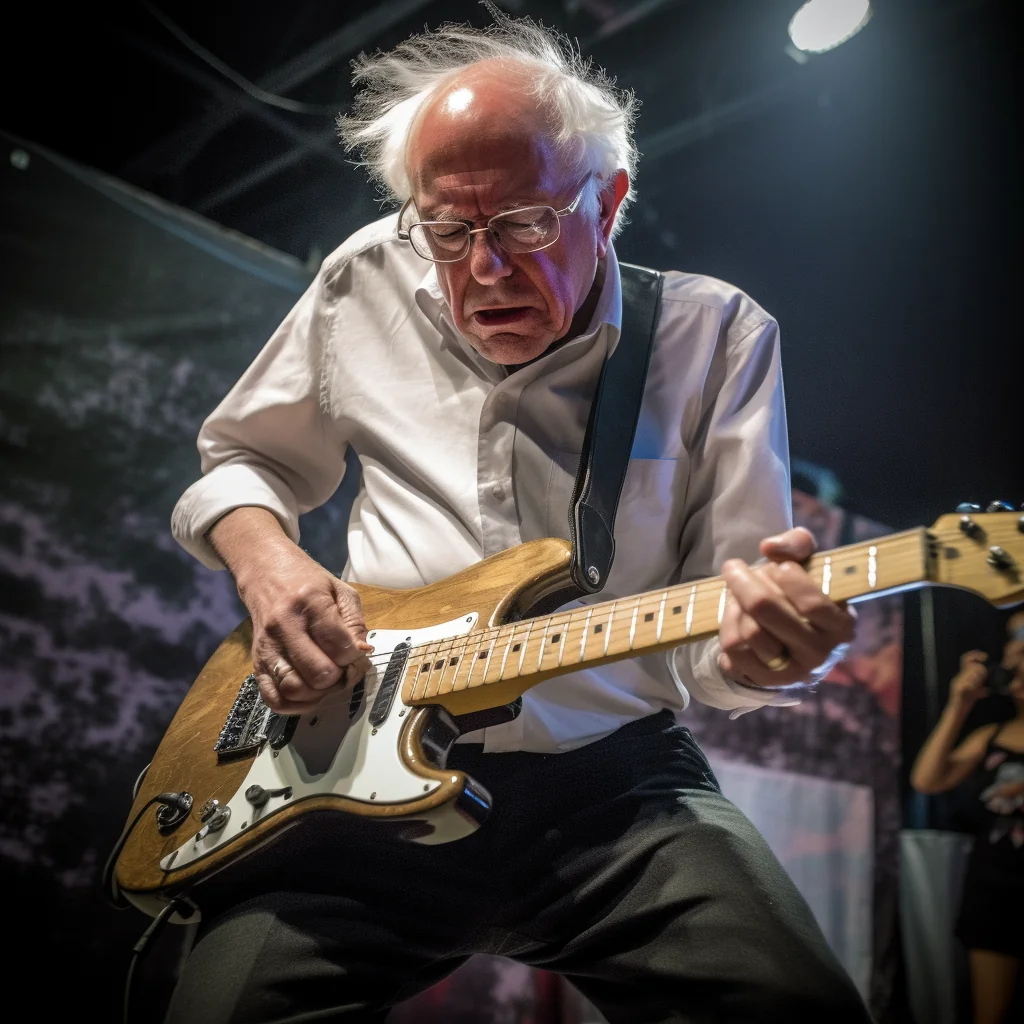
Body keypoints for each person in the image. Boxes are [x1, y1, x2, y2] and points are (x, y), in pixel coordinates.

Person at [165, 12, 869, 1023]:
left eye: (525, 223)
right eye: (448, 229)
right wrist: (268, 562)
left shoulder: (714, 338)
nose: (483, 268)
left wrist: (764, 653)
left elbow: (727, 632)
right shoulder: (364, 276)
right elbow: (241, 458)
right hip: (352, 763)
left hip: (614, 787)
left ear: (610, 202)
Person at [911, 610, 1024, 1024]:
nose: (1015, 654)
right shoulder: (991, 736)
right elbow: (927, 779)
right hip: (996, 888)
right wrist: (959, 705)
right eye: (1013, 643)